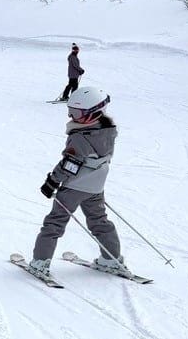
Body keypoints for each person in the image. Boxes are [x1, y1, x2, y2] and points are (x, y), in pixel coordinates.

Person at [28, 87, 124, 279]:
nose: (72, 116)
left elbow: (69, 166)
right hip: (96, 187)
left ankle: (40, 262)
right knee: (99, 221)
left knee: (54, 223)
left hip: (74, 188)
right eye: (71, 111)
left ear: (95, 111)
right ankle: (111, 259)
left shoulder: (80, 137)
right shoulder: (107, 131)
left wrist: (51, 182)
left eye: (78, 113)